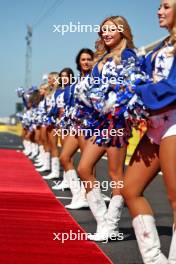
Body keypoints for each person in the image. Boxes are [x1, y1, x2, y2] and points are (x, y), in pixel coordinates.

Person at [77, 16, 140, 241]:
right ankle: (104, 222)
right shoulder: (101, 57)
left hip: (118, 121)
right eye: (103, 30)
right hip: (99, 123)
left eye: (111, 29)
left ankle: (110, 226)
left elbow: (131, 87)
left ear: (122, 31)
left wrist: (114, 103)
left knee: (116, 175)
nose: (106, 34)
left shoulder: (128, 55)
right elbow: (93, 89)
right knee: (84, 168)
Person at [122, 0, 176, 263]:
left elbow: (173, 86)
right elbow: (138, 77)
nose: (159, 11)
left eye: (166, 6)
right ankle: (155, 259)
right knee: (130, 189)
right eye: (158, 6)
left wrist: (138, 92)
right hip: (154, 126)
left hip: (174, 124)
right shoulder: (162, 46)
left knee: (175, 198)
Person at [58, 48, 94, 209]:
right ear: (78, 62)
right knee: (64, 157)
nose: (86, 62)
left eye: (88, 59)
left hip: (88, 125)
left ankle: (90, 197)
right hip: (75, 124)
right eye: (83, 59)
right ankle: (79, 195)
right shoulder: (74, 84)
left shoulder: (95, 78)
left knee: (87, 165)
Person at [43, 68, 74, 180]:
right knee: (60, 148)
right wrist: (50, 114)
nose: (64, 78)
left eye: (66, 76)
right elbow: (55, 107)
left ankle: (67, 179)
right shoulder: (58, 91)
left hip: (70, 122)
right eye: (62, 76)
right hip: (59, 121)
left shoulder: (72, 88)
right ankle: (62, 176)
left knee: (66, 152)